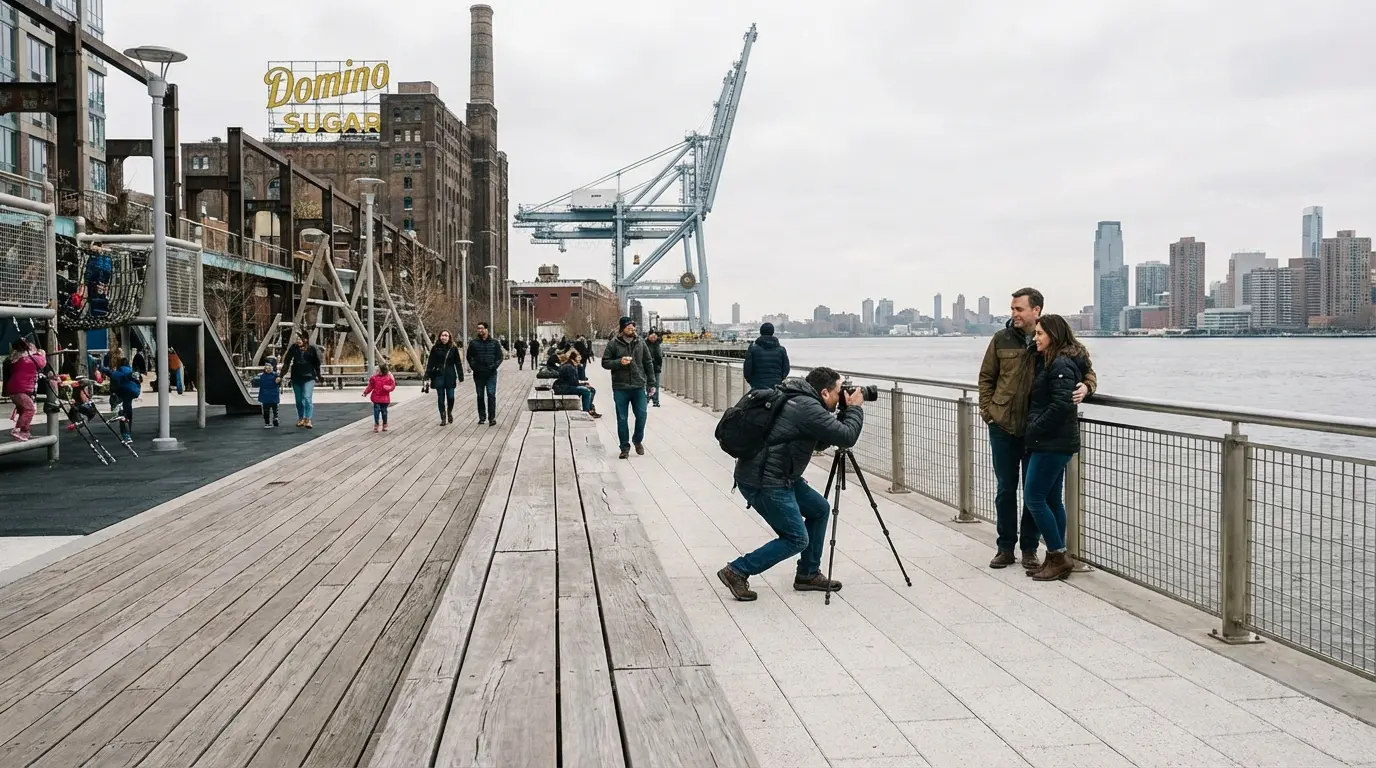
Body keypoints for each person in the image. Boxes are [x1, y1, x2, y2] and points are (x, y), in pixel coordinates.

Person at [716, 366, 865, 602]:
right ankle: (737, 570)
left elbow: (817, 443)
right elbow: (847, 437)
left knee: (819, 509)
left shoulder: (799, 398)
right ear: (825, 393)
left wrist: (839, 415)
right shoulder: (807, 407)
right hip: (765, 481)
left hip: (779, 474)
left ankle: (807, 574)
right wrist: (855, 408)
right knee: (796, 538)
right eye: (839, 392)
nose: (842, 396)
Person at [978, 287, 1095, 572]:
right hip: (1004, 427)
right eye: (1012, 309)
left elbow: (1084, 369)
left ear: (1036, 310)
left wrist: (1088, 386)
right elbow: (986, 378)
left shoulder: (1049, 340)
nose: (1014, 314)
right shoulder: (1001, 339)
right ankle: (1005, 547)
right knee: (1006, 489)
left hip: (1038, 432)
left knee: (1035, 494)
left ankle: (1030, 548)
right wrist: (989, 413)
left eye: (1019, 309)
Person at [1023, 314, 1090, 581]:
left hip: (1051, 442)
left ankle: (1058, 556)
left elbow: (1062, 404)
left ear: (1054, 334)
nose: (1035, 337)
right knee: (1051, 499)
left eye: (1040, 333)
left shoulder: (1060, 362)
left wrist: (1033, 428)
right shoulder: (1052, 358)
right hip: (1055, 441)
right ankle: (1056, 555)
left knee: (1034, 498)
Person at [602, 316, 655, 459]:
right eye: (628, 327)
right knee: (622, 418)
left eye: (633, 327)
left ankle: (637, 440)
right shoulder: (613, 344)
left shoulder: (641, 343)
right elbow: (605, 362)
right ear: (622, 328)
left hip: (638, 385)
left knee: (642, 415)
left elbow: (648, 362)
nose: (631, 329)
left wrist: (652, 382)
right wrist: (620, 362)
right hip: (620, 387)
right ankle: (624, 447)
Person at [280, 330, 323, 429]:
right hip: (296, 377)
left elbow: (316, 364)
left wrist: (319, 375)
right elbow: (287, 362)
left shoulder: (311, 349)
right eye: (296, 339)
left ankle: (308, 418)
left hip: (309, 376)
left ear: (305, 339)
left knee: (307, 398)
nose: (298, 340)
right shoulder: (293, 349)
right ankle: (301, 418)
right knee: (299, 400)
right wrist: (281, 375)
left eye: (300, 338)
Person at [4, 339, 45, 442]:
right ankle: (17, 430)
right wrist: (41, 354)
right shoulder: (30, 359)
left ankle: (25, 431)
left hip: (15, 388)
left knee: (24, 409)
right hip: (21, 389)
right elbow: (42, 363)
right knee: (30, 409)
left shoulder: (17, 358)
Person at [98, 352, 142, 444]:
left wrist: (99, 367)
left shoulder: (117, 372)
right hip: (134, 392)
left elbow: (107, 372)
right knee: (128, 407)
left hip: (121, 392)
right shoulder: (131, 371)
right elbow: (139, 379)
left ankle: (126, 434)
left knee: (122, 412)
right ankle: (128, 429)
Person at [466, 322, 503, 426]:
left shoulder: (494, 343)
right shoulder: (473, 343)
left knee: (491, 394)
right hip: (478, 374)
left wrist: (493, 366)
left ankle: (492, 418)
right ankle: (482, 417)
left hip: (491, 373)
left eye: (482, 328)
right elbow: (469, 357)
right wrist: (474, 367)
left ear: (487, 330)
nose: (480, 330)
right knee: (480, 395)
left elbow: (500, 357)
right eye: (478, 328)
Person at [426, 329, 463, 425]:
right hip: (439, 375)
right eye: (442, 335)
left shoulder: (453, 348)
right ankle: (442, 416)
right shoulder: (435, 348)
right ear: (440, 337)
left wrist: (460, 375)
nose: (444, 337)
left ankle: (449, 411)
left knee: (451, 396)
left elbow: (458, 362)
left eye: (446, 335)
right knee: (440, 397)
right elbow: (430, 362)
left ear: (449, 337)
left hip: (450, 375)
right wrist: (427, 375)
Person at [743, 322, 790, 391]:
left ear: (760, 332)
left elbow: (747, 370)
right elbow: (786, 369)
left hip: (757, 388)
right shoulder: (781, 350)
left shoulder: (752, 349)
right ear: (772, 332)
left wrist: (753, 383)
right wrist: (779, 380)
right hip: (776, 389)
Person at [554, 350, 601, 418]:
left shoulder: (571, 365)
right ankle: (586, 412)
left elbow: (574, 381)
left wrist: (583, 384)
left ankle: (589, 409)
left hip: (565, 386)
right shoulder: (569, 367)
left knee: (591, 389)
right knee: (586, 391)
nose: (580, 360)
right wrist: (583, 385)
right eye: (578, 359)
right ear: (574, 358)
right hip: (563, 388)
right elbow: (573, 383)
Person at [364, 362, 398, 433]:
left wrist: (387, 388)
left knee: (384, 412)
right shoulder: (374, 378)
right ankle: (376, 424)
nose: (375, 372)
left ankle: (384, 424)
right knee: (376, 412)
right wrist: (366, 392)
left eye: (377, 370)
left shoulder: (388, 378)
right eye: (375, 370)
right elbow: (371, 386)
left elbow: (392, 386)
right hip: (376, 398)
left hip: (384, 399)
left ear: (382, 371)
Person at [254, 359, 281, 428]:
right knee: (274, 409)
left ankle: (268, 422)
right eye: (266, 368)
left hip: (266, 396)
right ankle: (275, 418)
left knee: (267, 410)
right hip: (273, 395)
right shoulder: (275, 375)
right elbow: (279, 383)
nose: (268, 369)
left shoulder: (262, 376)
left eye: (269, 368)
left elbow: (256, 383)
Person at [645, 329, 664, 407]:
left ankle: (656, 401)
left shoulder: (658, 343)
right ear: (648, 336)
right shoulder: (644, 343)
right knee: (647, 384)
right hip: (646, 367)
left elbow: (660, 355)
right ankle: (646, 400)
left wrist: (659, 365)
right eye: (652, 335)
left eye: (655, 335)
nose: (653, 337)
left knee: (656, 384)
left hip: (656, 367)